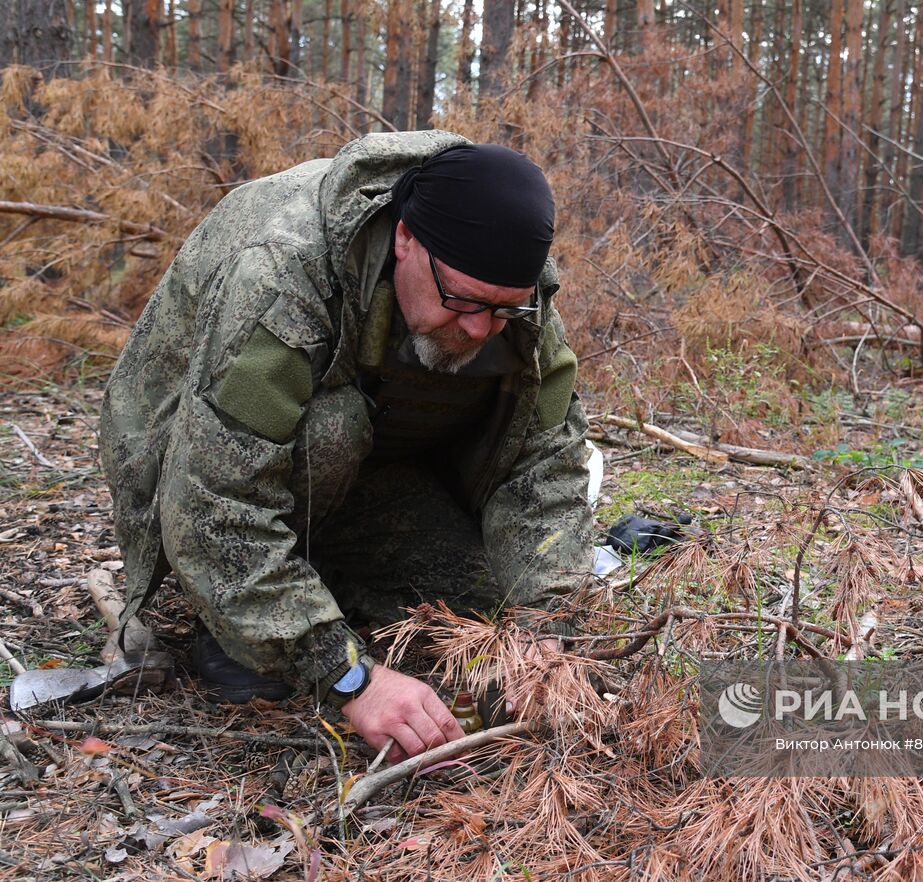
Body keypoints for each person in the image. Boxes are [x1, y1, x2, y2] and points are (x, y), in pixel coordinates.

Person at [99, 131, 594, 762]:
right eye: (463, 302)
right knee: (331, 428)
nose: (479, 328)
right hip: (201, 462)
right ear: (406, 239)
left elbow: (546, 466)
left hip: (382, 471)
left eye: (501, 311)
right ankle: (239, 625)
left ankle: (321, 577)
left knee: (488, 601)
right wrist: (350, 675)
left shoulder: (514, 295)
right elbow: (214, 507)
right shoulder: (281, 274)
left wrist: (547, 628)